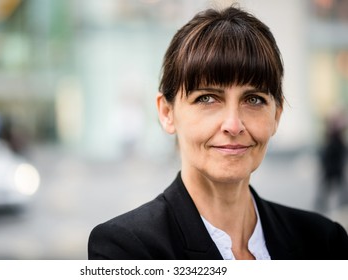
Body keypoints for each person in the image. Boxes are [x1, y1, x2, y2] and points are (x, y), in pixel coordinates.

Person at [88, 6, 348, 260]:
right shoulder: (127, 250)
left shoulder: (324, 242)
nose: (233, 125)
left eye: (254, 99)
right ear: (167, 113)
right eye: (207, 98)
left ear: (276, 115)